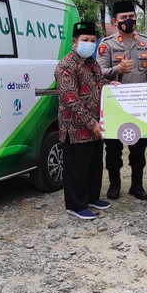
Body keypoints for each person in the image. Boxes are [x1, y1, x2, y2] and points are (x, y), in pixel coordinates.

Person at [97, 0, 147, 201]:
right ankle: (114, 185)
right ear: (115, 21)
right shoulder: (107, 45)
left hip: (140, 107)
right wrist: (118, 70)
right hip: (115, 107)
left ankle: (137, 185)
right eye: (124, 17)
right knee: (114, 149)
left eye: (132, 16)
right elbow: (99, 74)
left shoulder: (146, 43)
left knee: (139, 149)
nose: (128, 20)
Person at [55, 21, 115, 220]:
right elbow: (71, 100)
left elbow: (99, 82)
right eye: (84, 40)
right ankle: (75, 205)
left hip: (96, 124)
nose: (89, 44)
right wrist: (92, 124)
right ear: (74, 42)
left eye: (92, 40)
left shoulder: (92, 62)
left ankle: (91, 197)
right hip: (75, 128)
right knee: (77, 168)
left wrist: (111, 83)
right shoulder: (66, 66)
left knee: (93, 165)